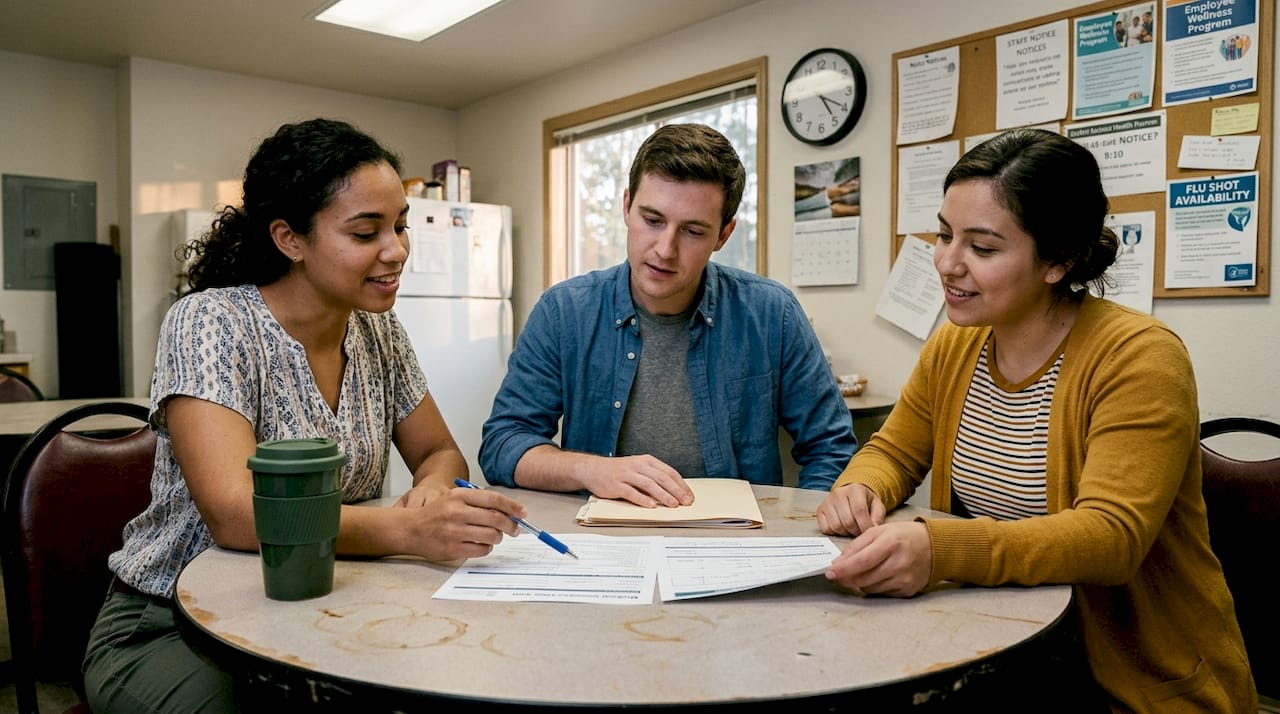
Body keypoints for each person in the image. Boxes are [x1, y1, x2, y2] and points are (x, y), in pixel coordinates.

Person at [82, 118, 529, 712]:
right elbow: (236, 515)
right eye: (366, 232)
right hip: (175, 625)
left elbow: (439, 451)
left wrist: (433, 489)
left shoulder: (379, 330)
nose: (397, 250)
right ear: (290, 239)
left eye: (400, 225)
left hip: (325, 608)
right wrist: (408, 532)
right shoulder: (211, 323)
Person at [816, 128, 1255, 712]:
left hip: (1130, 682)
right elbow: (893, 451)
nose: (947, 263)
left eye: (983, 248)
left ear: (1059, 261)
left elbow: (1110, 537)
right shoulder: (954, 346)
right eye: (944, 234)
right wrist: (861, 487)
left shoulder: (1140, 357)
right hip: (999, 649)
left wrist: (940, 550)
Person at [480, 123, 855, 507]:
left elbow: (831, 447)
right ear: (627, 206)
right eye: (652, 220)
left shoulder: (774, 315)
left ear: (723, 235)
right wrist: (591, 470)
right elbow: (503, 443)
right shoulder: (563, 312)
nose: (665, 249)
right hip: (600, 534)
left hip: (737, 536)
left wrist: (803, 528)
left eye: (692, 231)